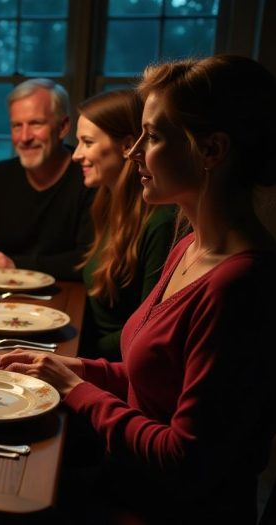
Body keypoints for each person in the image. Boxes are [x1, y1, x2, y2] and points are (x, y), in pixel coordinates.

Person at [0, 55, 276, 524]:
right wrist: (71, 366)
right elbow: (154, 383)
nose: (132, 150)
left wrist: (77, 389)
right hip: (124, 479)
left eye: (154, 136)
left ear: (212, 150)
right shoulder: (188, 248)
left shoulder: (239, 285)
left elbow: (185, 461)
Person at [0, 78, 95, 280]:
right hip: (4, 297)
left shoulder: (89, 178)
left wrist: (16, 264)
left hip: (68, 297)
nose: (24, 137)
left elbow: (88, 260)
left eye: (36, 123)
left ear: (63, 126)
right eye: (16, 126)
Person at [72, 89, 176, 361]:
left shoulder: (160, 223)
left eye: (87, 142)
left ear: (128, 146)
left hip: (114, 365)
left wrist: (81, 353)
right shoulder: (107, 204)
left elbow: (148, 327)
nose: (76, 155)